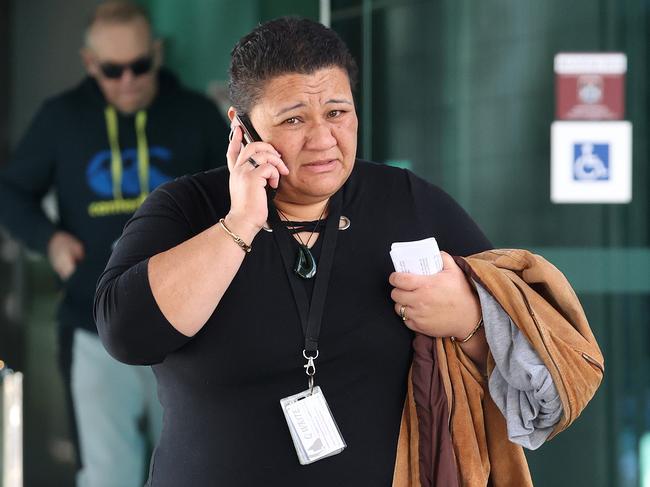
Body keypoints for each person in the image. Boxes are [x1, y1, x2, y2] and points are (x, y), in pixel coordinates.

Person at [93, 17, 574, 486]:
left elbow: (547, 381)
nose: (323, 140)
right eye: (294, 119)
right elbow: (127, 335)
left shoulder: (406, 202)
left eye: (337, 113)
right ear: (241, 128)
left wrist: (470, 321)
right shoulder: (187, 208)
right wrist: (240, 224)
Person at [0, 1, 229, 485]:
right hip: (91, 322)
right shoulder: (62, 118)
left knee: (192, 467)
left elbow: (236, 194)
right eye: (111, 70)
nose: (127, 80)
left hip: (186, 326)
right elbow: (11, 192)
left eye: (139, 65)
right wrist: (51, 239)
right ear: (89, 63)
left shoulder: (195, 115)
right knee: (108, 474)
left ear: (157, 53)